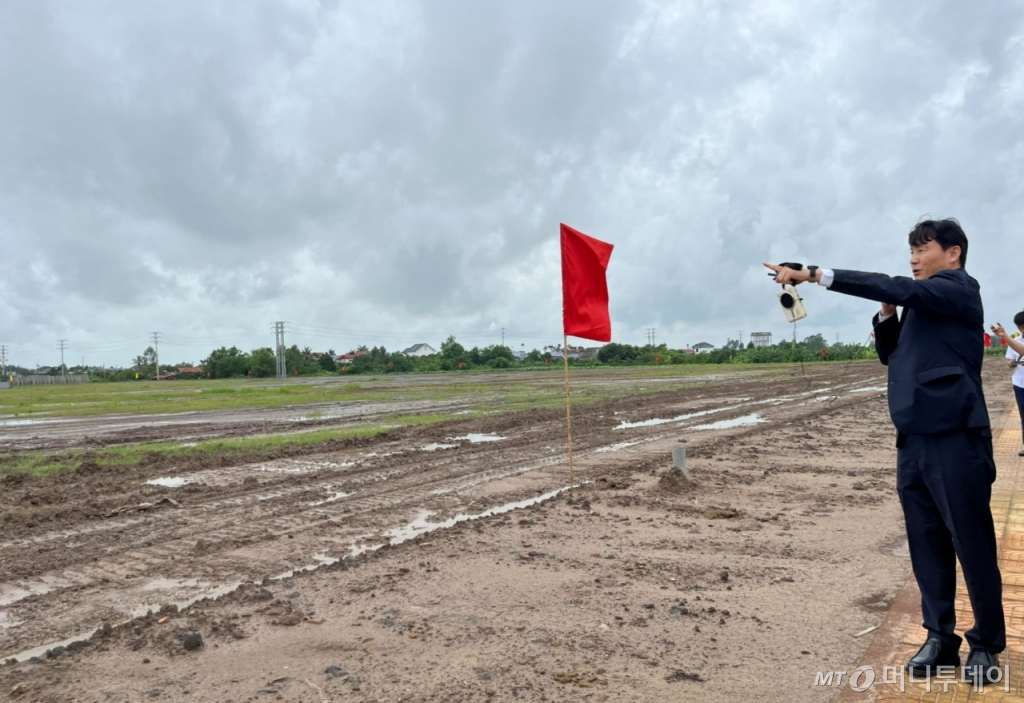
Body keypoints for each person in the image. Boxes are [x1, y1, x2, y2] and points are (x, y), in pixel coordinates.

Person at [764, 218, 1004, 685]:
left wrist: (813, 273)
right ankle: (940, 638)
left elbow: (895, 284)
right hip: (913, 440)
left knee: (970, 544)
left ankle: (987, 644)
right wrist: (887, 314)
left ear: (953, 253)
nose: (913, 259)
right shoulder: (920, 303)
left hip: (955, 439)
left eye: (923, 249)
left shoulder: (958, 289)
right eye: (910, 251)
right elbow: (891, 355)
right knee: (926, 543)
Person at [991, 314, 1024, 456]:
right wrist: (1012, 363)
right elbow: (1010, 362)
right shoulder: (1015, 341)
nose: (1023, 331)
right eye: (1021, 328)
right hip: (1020, 383)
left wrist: (1004, 336)